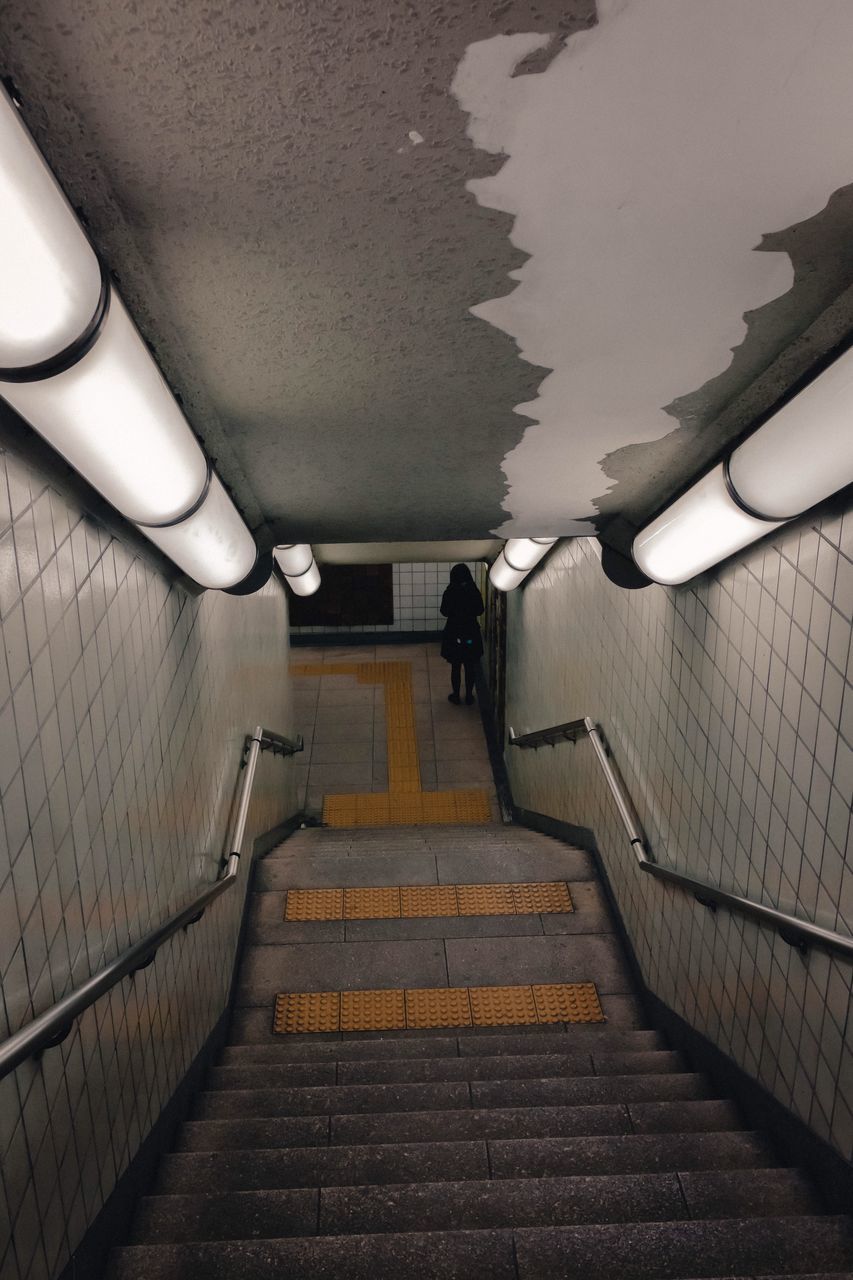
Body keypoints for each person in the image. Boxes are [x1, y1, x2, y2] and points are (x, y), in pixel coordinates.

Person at [440, 563, 484, 705]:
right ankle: (469, 696)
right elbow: (480, 610)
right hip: (471, 630)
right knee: (470, 665)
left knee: (456, 665)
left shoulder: (450, 590)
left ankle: (456, 695)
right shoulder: (473, 590)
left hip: (454, 631)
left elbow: (444, 611)